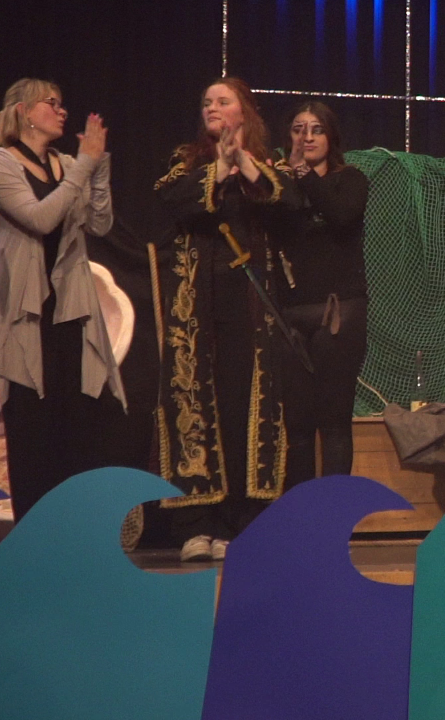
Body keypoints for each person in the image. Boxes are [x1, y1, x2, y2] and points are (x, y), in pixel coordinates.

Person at [151, 78, 304, 561]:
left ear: (245, 111)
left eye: (223, 101)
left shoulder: (269, 163)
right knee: (198, 404)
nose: (212, 108)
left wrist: (245, 163)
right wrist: (219, 165)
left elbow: (291, 203)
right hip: (197, 306)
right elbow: (172, 200)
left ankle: (244, 523)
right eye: (206, 103)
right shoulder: (187, 160)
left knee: (245, 407)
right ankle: (197, 524)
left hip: (250, 307)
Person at [0, 79, 127, 517]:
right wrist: (86, 166)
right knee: (33, 426)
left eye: (62, 104)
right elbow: (40, 218)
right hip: (28, 311)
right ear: (24, 111)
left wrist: (98, 168)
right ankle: (33, 536)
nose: (62, 111)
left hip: (72, 307)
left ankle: (75, 531)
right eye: (51, 103)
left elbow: (99, 223)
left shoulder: (68, 164)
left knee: (78, 422)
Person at [277, 101, 369, 488]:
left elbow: (341, 215)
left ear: (331, 138)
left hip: (339, 313)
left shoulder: (350, 179)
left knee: (333, 421)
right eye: (299, 129)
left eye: (316, 130)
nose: (307, 137)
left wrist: (305, 176)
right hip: (291, 314)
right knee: (296, 425)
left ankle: (332, 512)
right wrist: (287, 179)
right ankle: (299, 511)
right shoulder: (279, 184)